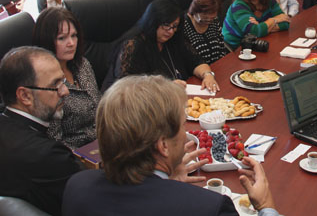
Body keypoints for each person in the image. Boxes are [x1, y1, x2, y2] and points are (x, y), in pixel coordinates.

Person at [62, 75, 280, 216]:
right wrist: (265, 206)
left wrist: (167, 183)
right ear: (163, 146)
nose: (185, 134)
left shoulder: (77, 186)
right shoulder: (209, 208)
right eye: (181, 125)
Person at [0, 46, 83, 215]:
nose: (65, 91)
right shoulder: (49, 156)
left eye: (63, 81)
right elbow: (91, 196)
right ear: (25, 96)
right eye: (55, 85)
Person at [112, 0, 220, 93]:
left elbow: (196, 60)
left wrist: (208, 75)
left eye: (174, 26)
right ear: (153, 22)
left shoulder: (174, 38)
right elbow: (126, 87)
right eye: (166, 25)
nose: (170, 31)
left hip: (177, 97)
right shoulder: (134, 44)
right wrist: (166, 87)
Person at [32, 7, 101, 149]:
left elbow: (98, 103)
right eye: (62, 38)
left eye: (74, 35)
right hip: (78, 154)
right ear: (46, 41)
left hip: (104, 139)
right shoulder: (45, 83)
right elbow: (54, 141)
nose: (71, 43)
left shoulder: (82, 64)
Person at [222, 0, 290, 50]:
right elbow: (255, 31)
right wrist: (274, 20)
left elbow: (285, 23)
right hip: (236, 48)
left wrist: (261, 27)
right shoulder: (238, 6)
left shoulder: (269, 0)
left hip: (258, 42)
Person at [183, 0, 229, 64]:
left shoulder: (214, 21)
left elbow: (221, 48)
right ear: (195, 10)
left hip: (217, 67)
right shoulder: (184, 25)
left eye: (212, 17)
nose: (209, 20)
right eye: (205, 16)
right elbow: (187, 60)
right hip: (198, 72)